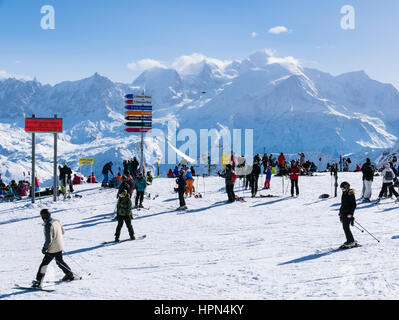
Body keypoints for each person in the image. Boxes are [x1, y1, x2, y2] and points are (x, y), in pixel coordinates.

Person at [32, 209, 77, 288]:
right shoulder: (56, 221)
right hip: (60, 245)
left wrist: (44, 248)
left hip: (53, 248)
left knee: (44, 264)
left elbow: (48, 240)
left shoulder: (48, 225)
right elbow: (63, 232)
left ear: (43, 217)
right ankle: (69, 275)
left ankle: (38, 281)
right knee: (60, 261)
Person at [339, 182, 357, 248]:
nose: (342, 190)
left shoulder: (350, 194)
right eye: (341, 189)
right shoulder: (344, 193)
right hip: (343, 213)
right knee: (345, 227)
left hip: (348, 214)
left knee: (346, 227)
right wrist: (340, 212)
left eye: (343, 188)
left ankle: (351, 241)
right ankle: (349, 240)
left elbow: (354, 205)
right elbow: (343, 204)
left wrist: (351, 214)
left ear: (346, 187)